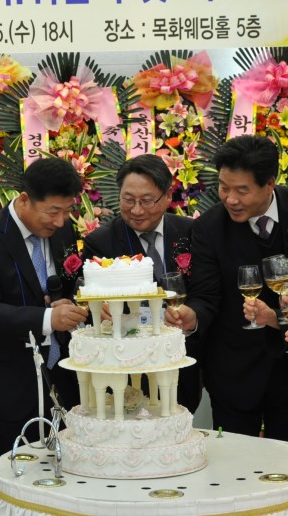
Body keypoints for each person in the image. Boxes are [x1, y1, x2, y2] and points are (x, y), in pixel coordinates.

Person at [165, 135, 288, 445]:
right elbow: (206, 295)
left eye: (242, 190)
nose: (230, 200)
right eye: (223, 188)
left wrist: (279, 317)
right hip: (234, 369)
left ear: (270, 184)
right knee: (235, 460)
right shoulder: (209, 228)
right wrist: (192, 315)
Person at [0, 157, 88, 467]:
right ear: (25, 199)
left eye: (67, 211)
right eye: (53, 212)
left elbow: (68, 285)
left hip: (62, 382)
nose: (60, 221)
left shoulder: (62, 232)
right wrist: (47, 318)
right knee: (14, 476)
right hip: (9, 388)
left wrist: (76, 304)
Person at [82, 153, 200, 412]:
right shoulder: (100, 243)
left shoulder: (191, 232)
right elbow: (85, 296)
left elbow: (206, 291)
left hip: (180, 362)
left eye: (146, 201)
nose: (136, 210)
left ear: (168, 196)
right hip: (125, 370)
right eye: (128, 200)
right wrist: (98, 308)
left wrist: (194, 315)